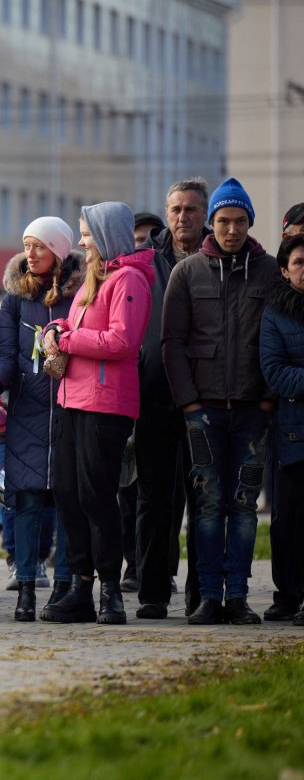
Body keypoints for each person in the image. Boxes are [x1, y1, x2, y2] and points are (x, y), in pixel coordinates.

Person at [163, 177, 278, 625]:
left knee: (245, 507)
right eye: (224, 221)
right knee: (208, 506)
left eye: (240, 221)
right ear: (211, 224)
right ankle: (209, 596)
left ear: (250, 222)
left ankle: (238, 597)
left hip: (253, 410)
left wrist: (268, 401)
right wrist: (189, 405)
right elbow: (172, 342)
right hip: (204, 412)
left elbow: (279, 339)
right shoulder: (186, 272)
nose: (232, 229)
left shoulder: (270, 272)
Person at [40, 202, 154, 625]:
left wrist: (67, 341)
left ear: (106, 235)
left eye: (87, 233)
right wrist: (54, 331)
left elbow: (122, 341)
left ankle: (110, 591)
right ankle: (81, 587)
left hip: (106, 403)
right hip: (73, 398)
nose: (82, 241)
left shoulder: (129, 279)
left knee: (96, 496)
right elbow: (72, 328)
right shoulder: (94, 278)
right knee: (68, 493)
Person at [0, 217, 84, 621]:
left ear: (58, 248)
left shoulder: (81, 294)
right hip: (28, 412)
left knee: (69, 501)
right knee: (26, 501)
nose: (30, 254)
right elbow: (6, 354)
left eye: (39, 246)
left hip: (72, 410)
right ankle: (25, 590)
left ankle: (64, 586)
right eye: (26, 245)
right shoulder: (17, 299)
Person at [132, 178, 210, 619]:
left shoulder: (218, 259)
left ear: (205, 215)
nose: (182, 218)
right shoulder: (147, 261)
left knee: (203, 498)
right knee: (154, 499)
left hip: (205, 399)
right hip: (154, 395)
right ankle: (152, 592)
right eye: (176, 209)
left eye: (191, 210)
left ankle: (201, 592)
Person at [261, 234, 304, 625]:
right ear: (284, 270)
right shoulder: (276, 312)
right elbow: (274, 372)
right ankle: (288, 595)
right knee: (287, 520)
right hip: (292, 434)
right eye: (299, 262)